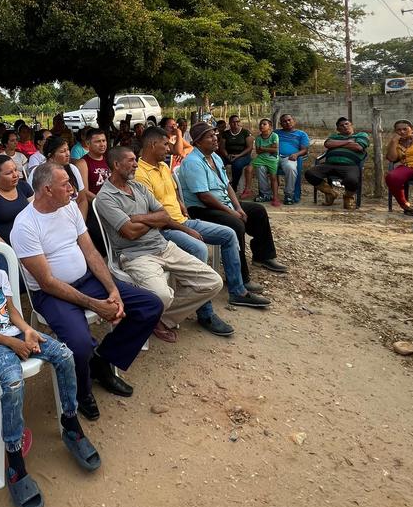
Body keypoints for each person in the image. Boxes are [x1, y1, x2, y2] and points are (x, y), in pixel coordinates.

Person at [0, 230, 99, 507]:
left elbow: (13, 311)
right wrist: (13, 342)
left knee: (64, 355)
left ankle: (70, 424)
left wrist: (28, 330)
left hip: (16, 334)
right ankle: (14, 458)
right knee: (11, 383)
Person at [10, 163, 163, 421]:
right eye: (65, 184)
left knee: (150, 306)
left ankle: (103, 360)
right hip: (52, 294)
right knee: (79, 345)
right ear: (47, 190)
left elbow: (91, 252)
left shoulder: (68, 207)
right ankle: (83, 392)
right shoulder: (24, 226)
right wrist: (95, 304)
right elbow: (46, 282)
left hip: (87, 280)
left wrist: (112, 289)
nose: (72, 188)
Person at [135, 127, 268, 321]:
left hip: (182, 220)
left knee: (229, 233)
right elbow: (155, 217)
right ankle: (205, 313)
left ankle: (237, 291)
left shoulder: (163, 166)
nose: (170, 148)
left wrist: (181, 205)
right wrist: (186, 228)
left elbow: (173, 192)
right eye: (165, 144)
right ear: (152, 145)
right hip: (164, 230)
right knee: (199, 248)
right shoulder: (140, 175)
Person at [95, 147, 226, 342]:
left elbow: (164, 216)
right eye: (131, 161)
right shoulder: (105, 197)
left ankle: (160, 317)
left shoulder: (138, 187)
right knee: (161, 295)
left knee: (213, 282)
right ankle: (155, 314)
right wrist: (152, 221)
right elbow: (130, 233)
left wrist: (138, 218)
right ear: (116, 165)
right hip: (136, 255)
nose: (136, 164)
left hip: (164, 247)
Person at [177, 123, 288, 284]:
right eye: (210, 136)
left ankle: (263, 256)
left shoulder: (214, 156)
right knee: (235, 224)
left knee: (258, 211)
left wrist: (237, 206)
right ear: (198, 142)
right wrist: (232, 213)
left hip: (222, 203)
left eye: (215, 135)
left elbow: (227, 185)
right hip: (201, 209)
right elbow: (204, 197)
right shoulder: (193, 162)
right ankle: (239, 278)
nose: (216, 138)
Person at [304, 116, 369, 211]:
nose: (345, 126)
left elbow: (358, 147)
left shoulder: (361, 135)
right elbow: (328, 144)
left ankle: (348, 197)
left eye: (347, 124)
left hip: (350, 165)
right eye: (341, 125)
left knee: (352, 180)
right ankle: (331, 193)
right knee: (310, 173)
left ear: (352, 125)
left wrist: (338, 143)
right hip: (329, 164)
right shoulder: (334, 136)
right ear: (338, 129)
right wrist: (348, 142)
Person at [40, 136, 86, 216]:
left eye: (68, 149)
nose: (68, 154)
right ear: (50, 156)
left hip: (74, 217)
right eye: (62, 151)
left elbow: (82, 200)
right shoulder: (39, 173)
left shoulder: (73, 169)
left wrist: (81, 223)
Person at [276, 114, 310, 205]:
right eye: (284, 121)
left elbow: (304, 150)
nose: (287, 122)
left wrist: (296, 154)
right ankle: (265, 194)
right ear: (281, 124)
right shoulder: (276, 133)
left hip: (290, 157)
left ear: (293, 120)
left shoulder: (301, 134)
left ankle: (289, 195)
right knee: (261, 167)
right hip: (274, 157)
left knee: (291, 168)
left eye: (289, 120)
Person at [219, 115, 254, 197]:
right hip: (229, 155)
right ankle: (220, 184)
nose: (235, 123)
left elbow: (250, 148)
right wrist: (227, 155)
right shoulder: (226, 134)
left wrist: (238, 155)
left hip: (243, 155)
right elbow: (222, 147)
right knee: (218, 163)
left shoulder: (245, 132)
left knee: (237, 165)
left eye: (237, 121)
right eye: (233, 122)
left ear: (240, 122)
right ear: (229, 123)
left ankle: (233, 185)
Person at [252, 118, 281, 207]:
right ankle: (264, 194)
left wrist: (263, 148)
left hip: (272, 159)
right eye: (260, 124)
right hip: (261, 159)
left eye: (264, 124)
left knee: (273, 177)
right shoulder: (258, 138)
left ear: (270, 127)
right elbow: (258, 151)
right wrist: (269, 148)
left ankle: (275, 197)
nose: (261, 126)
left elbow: (275, 149)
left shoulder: (274, 136)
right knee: (250, 168)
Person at [77, 128, 110, 196]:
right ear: (88, 144)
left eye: (104, 141)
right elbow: (84, 192)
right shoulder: (82, 163)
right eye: (98, 141)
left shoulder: (109, 159)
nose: (102, 144)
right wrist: (103, 204)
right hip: (95, 204)